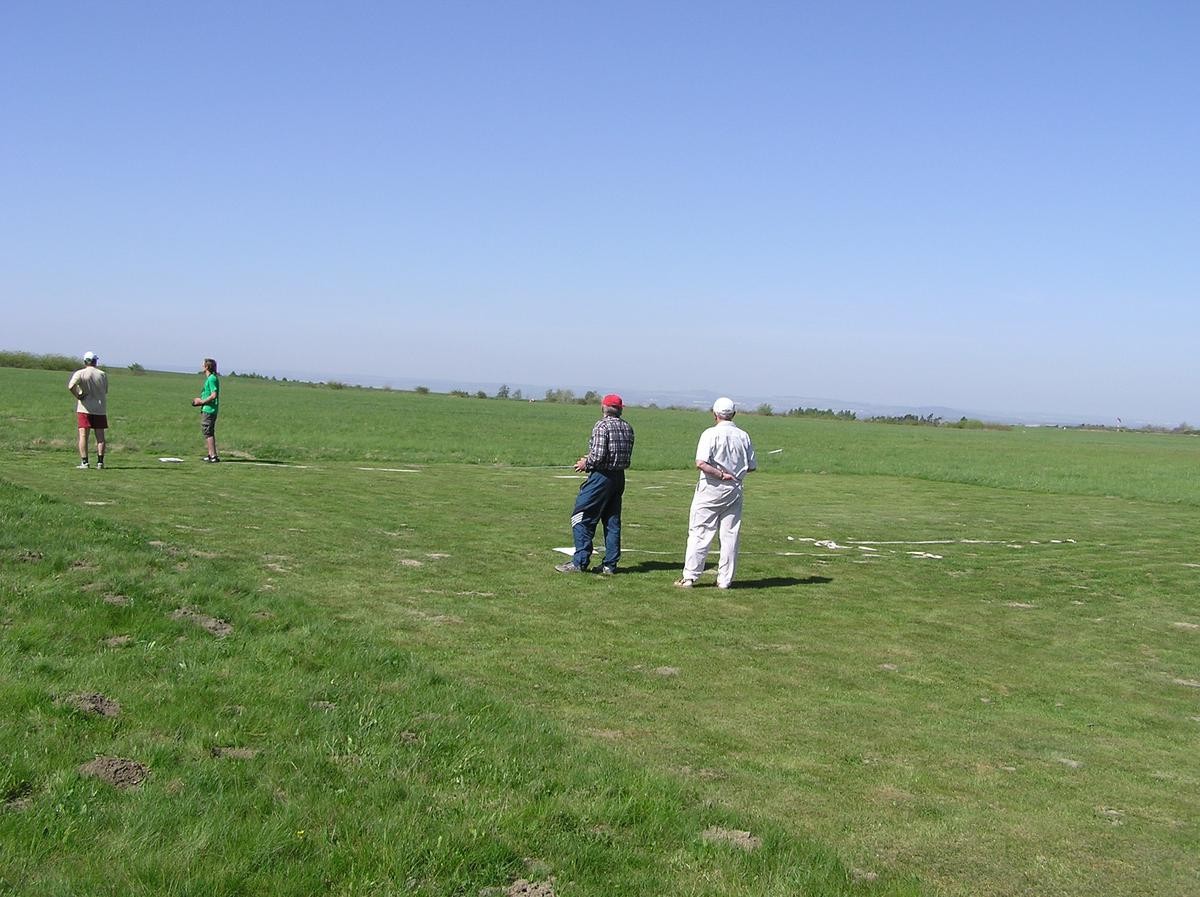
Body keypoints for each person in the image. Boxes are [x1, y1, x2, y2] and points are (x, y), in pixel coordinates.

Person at [675, 397, 756, 589]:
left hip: (711, 488)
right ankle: (725, 580)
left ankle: (690, 576)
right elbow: (752, 466)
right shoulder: (743, 435)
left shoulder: (710, 434)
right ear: (734, 414)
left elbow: (701, 463)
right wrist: (733, 472)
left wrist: (720, 474)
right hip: (735, 488)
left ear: (715, 414)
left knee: (700, 531)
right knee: (730, 535)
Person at [555, 394, 635, 575]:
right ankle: (609, 565)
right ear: (620, 409)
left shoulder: (602, 426)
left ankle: (579, 562)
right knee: (612, 521)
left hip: (601, 478)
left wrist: (586, 463)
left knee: (580, 516)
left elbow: (598, 456)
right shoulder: (627, 427)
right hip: (618, 478)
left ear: (603, 407)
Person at [67, 351, 109, 469]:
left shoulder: (80, 373)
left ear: (85, 361)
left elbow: (71, 386)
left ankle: (85, 462)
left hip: (84, 408)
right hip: (100, 409)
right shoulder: (102, 374)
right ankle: (100, 462)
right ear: (95, 361)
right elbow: (105, 390)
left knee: (83, 435)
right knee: (100, 437)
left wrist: (78, 395)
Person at [191, 358, 221, 462]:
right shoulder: (210, 378)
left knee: (208, 432)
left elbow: (213, 395)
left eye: (203, 365)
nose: (202, 366)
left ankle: (213, 456)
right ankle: (210, 454)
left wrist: (202, 402)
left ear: (207, 367)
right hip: (208, 409)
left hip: (209, 409)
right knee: (207, 431)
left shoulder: (212, 379)